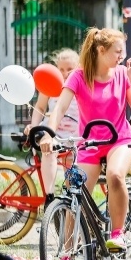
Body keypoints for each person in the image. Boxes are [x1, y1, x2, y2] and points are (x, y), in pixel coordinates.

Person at [40, 28, 131, 260]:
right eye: (118, 51)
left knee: (116, 175)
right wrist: (49, 133)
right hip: (90, 144)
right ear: (100, 50)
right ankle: (67, 254)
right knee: (73, 190)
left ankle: (118, 234)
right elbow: (59, 107)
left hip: (120, 139)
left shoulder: (121, 74)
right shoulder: (78, 76)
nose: (122, 55)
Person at [25, 49, 80, 207]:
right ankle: (49, 196)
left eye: (69, 69)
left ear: (77, 68)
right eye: (61, 69)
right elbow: (40, 107)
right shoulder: (51, 84)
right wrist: (34, 127)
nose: (64, 73)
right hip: (53, 131)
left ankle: (70, 203)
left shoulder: (80, 84)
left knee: (72, 167)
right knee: (49, 150)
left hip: (74, 134)